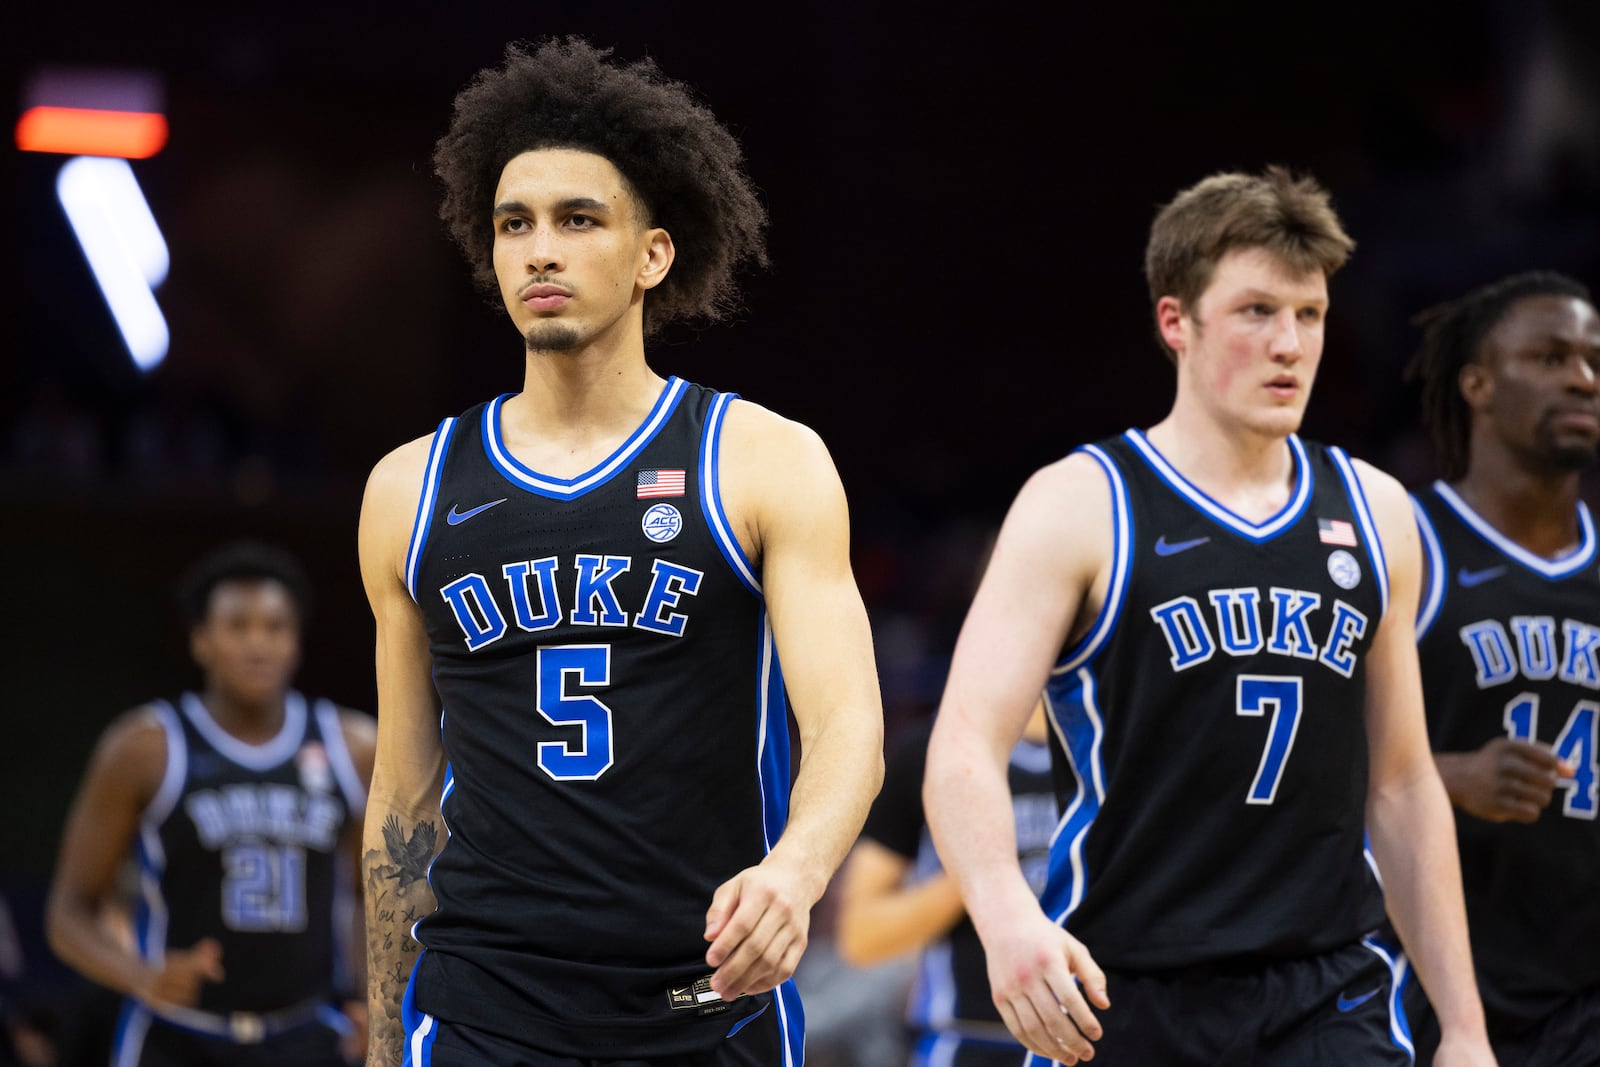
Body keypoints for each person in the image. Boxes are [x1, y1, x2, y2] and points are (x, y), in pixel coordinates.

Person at [356, 36, 884, 1066]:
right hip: (481, 1011)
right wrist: (383, 1035)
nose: (538, 250)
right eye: (514, 224)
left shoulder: (762, 460)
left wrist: (797, 868)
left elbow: (849, 727)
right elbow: (403, 793)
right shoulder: (409, 487)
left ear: (652, 254)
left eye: (576, 220)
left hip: (704, 1004)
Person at [921, 166, 1499, 1066]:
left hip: (1326, 986)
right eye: (1257, 312)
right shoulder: (1082, 503)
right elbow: (963, 744)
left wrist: (1463, 1027)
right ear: (1175, 323)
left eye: (1309, 315)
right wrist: (1004, 918)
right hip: (1122, 984)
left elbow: (1401, 781)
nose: (1291, 344)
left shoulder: (1379, 511)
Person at [44, 540, 376, 1066]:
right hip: (178, 1037)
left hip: (307, 1033)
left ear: (297, 642)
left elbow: (370, 896)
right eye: (238, 626)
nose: (258, 644)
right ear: (201, 641)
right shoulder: (144, 747)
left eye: (275, 627)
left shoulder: (352, 745)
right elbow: (69, 912)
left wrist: (371, 997)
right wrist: (142, 975)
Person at [1397, 270, 1600, 1066]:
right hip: (1426, 991)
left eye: (1592, 358)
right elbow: (1296, 758)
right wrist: (1447, 777)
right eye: (1550, 356)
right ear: (1476, 383)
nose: (1583, 376)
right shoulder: (1405, 541)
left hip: (1583, 997)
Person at [836, 700, 1056, 1066]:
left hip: (1102, 1037)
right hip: (966, 1040)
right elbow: (861, 936)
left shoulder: (1127, 748)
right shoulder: (930, 750)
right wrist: (981, 871)